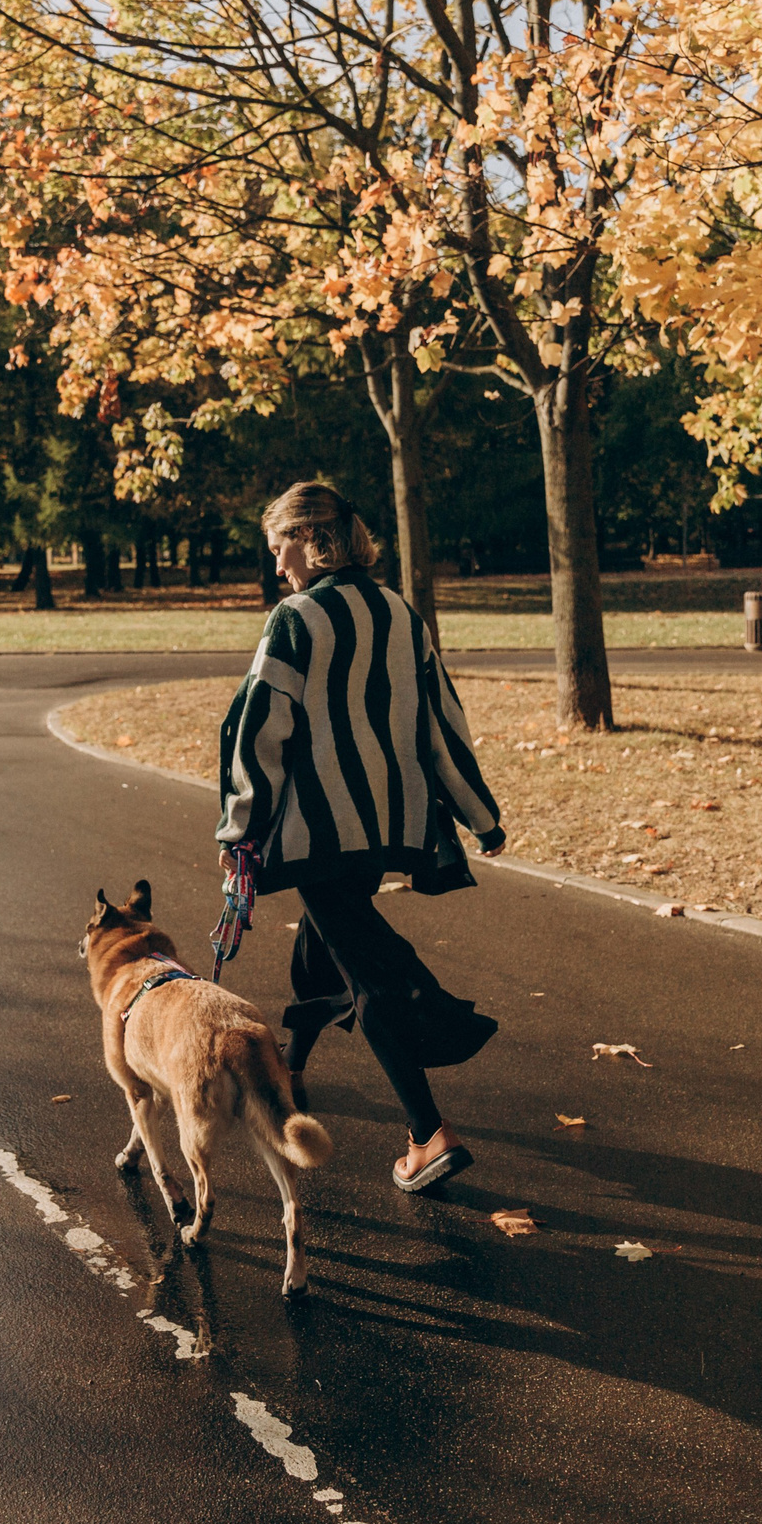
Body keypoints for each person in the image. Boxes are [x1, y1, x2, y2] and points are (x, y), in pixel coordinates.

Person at [217, 481, 507, 1192]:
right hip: (384, 829)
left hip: (316, 832)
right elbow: (444, 720)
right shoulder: (401, 613)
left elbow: (258, 736)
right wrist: (480, 813)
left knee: (366, 972)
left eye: (279, 546)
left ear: (308, 537)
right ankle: (295, 1061)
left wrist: (239, 835)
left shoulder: (294, 618)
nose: (277, 564)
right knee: (324, 939)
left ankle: (426, 1132)